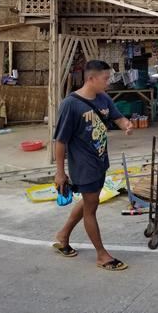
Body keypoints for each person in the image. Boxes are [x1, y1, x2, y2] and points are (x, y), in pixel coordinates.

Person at [53, 60, 133, 271]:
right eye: (105, 79)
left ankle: (63, 235)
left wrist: (126, 124)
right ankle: (101, 255)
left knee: (91, 200)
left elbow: (117, 117)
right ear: (91, 78)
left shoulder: (103, 98)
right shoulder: (71, 105)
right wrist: (60, 173)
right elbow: (60, 141)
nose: (108, 83)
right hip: (83, 166)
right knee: (91, 208)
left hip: (100, 162)